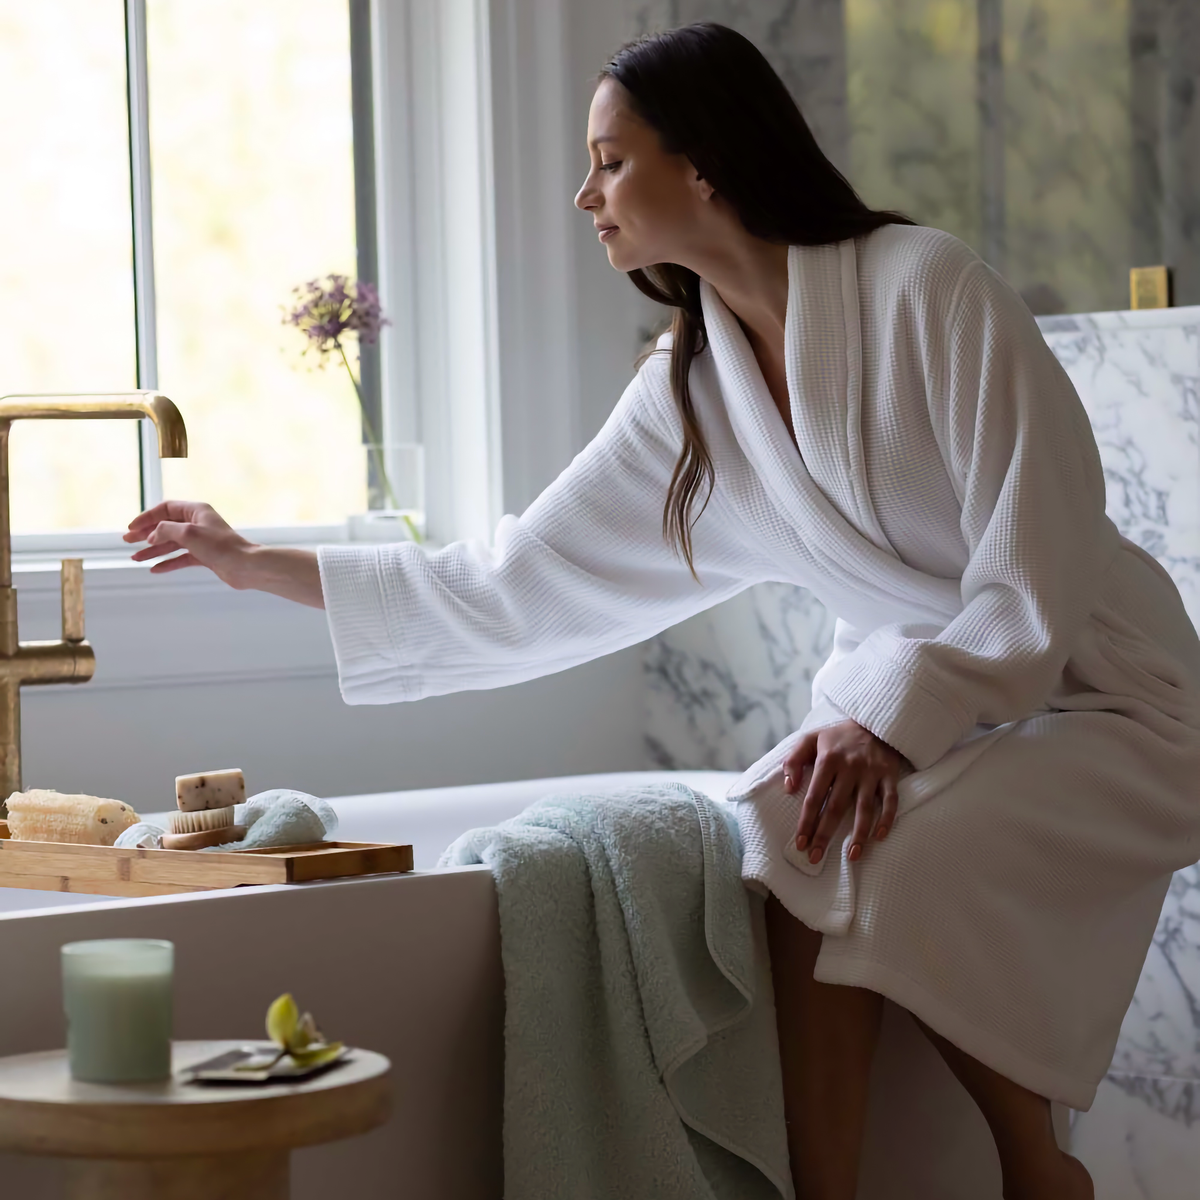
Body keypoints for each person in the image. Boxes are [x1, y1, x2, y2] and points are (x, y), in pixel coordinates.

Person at [125, 22, 1200, 1200]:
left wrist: (893, 719)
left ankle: (1039, 1170)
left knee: (892, 865)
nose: (585, 194)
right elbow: (511, 579)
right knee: (794, 846)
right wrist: (257, 564)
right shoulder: (691, 386)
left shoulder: (926, 289)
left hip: (1111, 700)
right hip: (936, 721)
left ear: (705, 164)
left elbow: (1031, 555)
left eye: (609, 159)